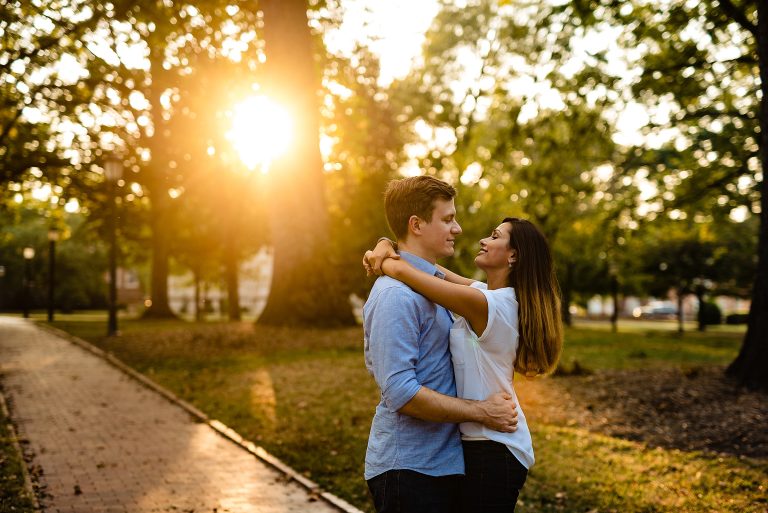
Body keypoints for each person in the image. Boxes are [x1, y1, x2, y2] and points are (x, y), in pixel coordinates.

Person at [364, 216, 563, 513]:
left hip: (494, 445)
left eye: (495, 236)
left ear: (513, 255)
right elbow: (430, 269)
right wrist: (386, 243)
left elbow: (413, 274)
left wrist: (386, 260)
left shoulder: (490, 305)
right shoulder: (487, 294)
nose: (484, 240)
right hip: (482, 443)